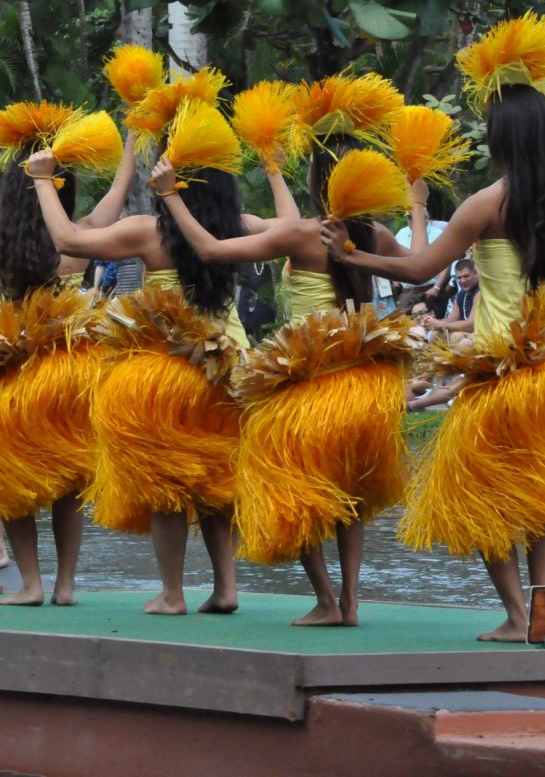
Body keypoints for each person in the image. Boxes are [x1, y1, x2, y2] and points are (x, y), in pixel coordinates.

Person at [321, 12, 545, 642]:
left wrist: (351, 257)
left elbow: (421, 268)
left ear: (504, 141)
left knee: (478, 494)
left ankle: (514, 616)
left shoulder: (487, 204)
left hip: (503, 368)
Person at [151, 130, 422, 627]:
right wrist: (418, 207)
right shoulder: (375, 235)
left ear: (321, 182)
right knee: (350, 495)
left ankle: (325, 601)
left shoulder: (304, 236)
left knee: (294, 492)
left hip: (309, 386)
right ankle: (352, 603)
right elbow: (421, 271)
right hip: (365, 383)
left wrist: (171, 195)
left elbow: (210, 250)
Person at [26, 124, 295, 614]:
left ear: (176, 184)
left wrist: (44, 179)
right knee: (217, 479)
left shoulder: (148, 232)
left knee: (166, 483)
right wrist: (273, 167)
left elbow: (67, 238)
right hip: (229, 369)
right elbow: (292, 227)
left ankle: (172, 594)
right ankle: (226, 588)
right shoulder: (242, 227)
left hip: (167, 372)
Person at [0, 125, 136, 606]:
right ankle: (65, 585)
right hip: (72, 371)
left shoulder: (3, 243)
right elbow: (116, 198)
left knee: (13, 478)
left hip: (16, 370)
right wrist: (132, 142)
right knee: (70, 481)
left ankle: (31, 584)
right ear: (67, 186)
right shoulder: (77, 238)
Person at [421, 258, 479, 343]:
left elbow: (471, 325)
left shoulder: (480, 292)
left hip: (484, 333)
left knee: (457, 337)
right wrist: (431, 323)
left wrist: (441, 324)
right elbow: (451, 320)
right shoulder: (461, 294)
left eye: (466, 276)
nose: (463, 280)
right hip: (467, 333)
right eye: (459, 278)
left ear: (475, 273)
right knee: (435, 335)